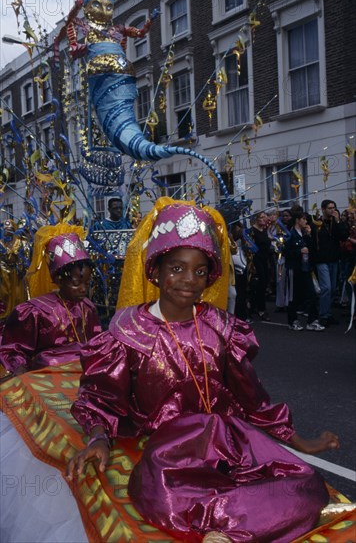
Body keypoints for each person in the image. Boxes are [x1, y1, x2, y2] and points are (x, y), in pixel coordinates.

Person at [67, 197, 340, 543]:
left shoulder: (221, 327)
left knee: (309, 486)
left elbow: (252, 398)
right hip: (170, 452)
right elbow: (102, 398)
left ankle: (226, 530)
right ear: (156, 270)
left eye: (199, 271)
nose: (189, 280)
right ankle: (241, 522)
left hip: (230, 441)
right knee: (156, 491)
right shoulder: (129, 332)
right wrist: (99, 437)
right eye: (177, 268)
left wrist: (299, 441)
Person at [0, 224, 101, 378]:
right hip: (48, 375)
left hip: (84, 372)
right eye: (76, 283)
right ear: (59, 280)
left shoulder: (87, 307)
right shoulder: (36, 311)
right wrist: (19, 368)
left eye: (86, 284)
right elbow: (15, 348)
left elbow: (96, 343)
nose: (83, 289)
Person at [284, 212, 325, 331]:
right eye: (303, 219)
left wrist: (309, 235)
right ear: (297, 220)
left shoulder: (304, 234)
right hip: (294, 269)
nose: (306, 222)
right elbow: (286, 253)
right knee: (294, 296)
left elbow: (311, 249)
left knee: (312, 294)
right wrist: (299, 251)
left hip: (305, 268)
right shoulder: (290, 234)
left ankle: (312, 320)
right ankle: (292, 321)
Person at [311, 199, 349, 326]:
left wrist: (338, 221)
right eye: (329, 208)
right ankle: (322, 315)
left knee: (332, 288)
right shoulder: (317, 223)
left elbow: (344, 236)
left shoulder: (335, 223)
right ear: (323, 209)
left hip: (334, 259)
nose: (332, 210)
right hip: (321, 260)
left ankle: (327, 313)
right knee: (326, 287)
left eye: (333, 208)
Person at [249, 211, 271, 320]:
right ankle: (261, 309)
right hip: (256, 260)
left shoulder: (265, 230)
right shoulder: (252, 231)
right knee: (261, 283)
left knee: (265, 282)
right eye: (261, 217)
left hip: (265, 259)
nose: (264, 219)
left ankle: (255, 305)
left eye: (264, 216)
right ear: (256, 219)